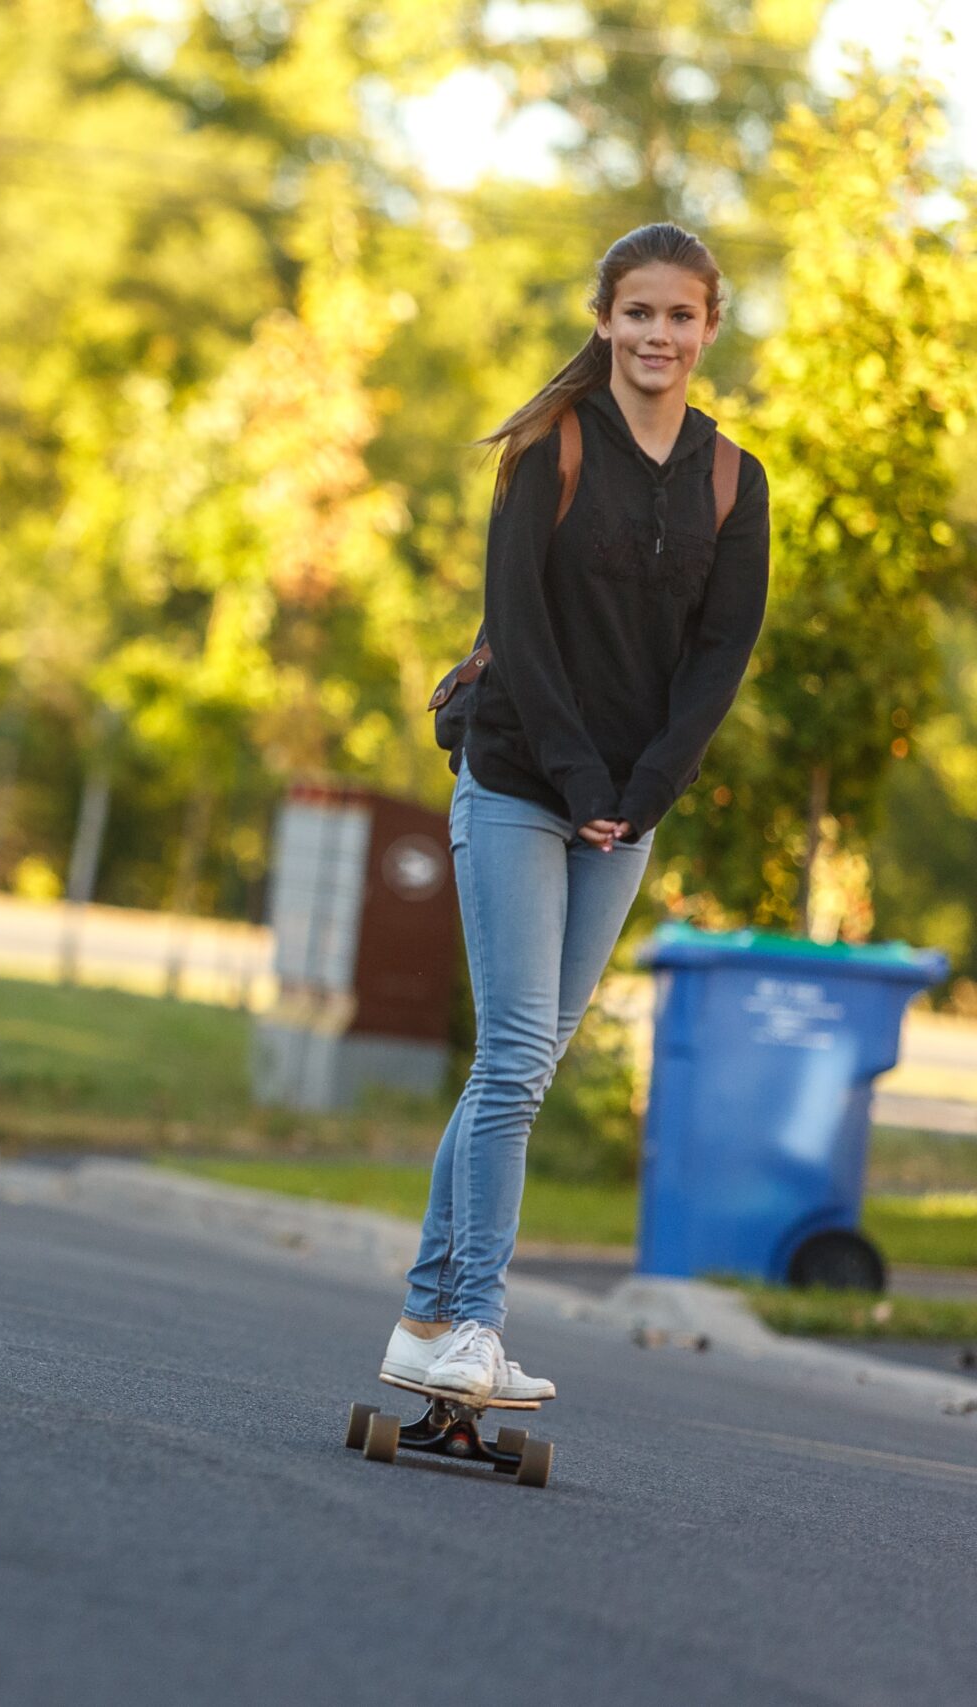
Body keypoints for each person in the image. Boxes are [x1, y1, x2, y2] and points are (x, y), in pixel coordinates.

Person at [393, 223, 770, 1401]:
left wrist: (644, 788)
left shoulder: (731, 480)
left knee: (524, 1065)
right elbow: (521, 628)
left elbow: (720, 658)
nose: (658, 335)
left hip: (627, 806)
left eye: (680, 316)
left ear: (710, 329)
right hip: (518, 779)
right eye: (638, 313)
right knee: (511, 1059)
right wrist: (578, 777)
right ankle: (471, 1321)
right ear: (604, 320)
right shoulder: (546, 451)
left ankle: (421, 1317)